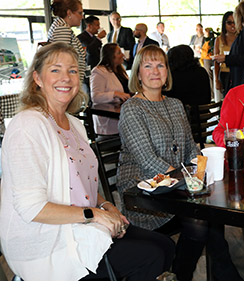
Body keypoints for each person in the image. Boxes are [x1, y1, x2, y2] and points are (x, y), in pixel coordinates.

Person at [0, 42, 174, 281]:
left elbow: (81, 184)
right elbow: (31, 207)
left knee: (165, 246)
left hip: (81, 225)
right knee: (150, 256)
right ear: (37, 78)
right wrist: (94, 214)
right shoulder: (28, 125)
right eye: (55, 70)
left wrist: (106, 206)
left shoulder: (75, 124)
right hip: (48, 244)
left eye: (72, 71)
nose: (66, 78)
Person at [117, 45, 241, 280]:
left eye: (160, 65)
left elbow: (190, 150)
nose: (155, 71)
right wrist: (189, 180)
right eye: (148, 66)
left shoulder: (175, 104)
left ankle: (202, 277)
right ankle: (189, 276)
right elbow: (147, 160)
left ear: (167, 72)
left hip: (176, 190)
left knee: (211, 213)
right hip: (143, 192)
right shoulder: (132, 108)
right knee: (200, 221)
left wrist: (202, 172)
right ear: (138, 74)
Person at [90, 43, 131, 137]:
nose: (123, 55)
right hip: (108, 124)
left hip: (124, 118)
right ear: (111, 55)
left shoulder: (120, 70)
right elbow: (95, 97)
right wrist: (115, 94)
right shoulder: (99, 71)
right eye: (119, 53)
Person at [47, 0, 86, 83]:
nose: (82, 17)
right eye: (80, 13)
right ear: (69, 13)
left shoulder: (60, 26)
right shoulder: (62, 29)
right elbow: (61, 61)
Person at [214, 11, 237, 96]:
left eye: (234, 22)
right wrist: (216, 80)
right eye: (229, 22)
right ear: (224, 24)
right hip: (225, 74)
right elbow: (215, 61)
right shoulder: (219, 40)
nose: (232, 25)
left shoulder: (241, 39)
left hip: (238, 73)